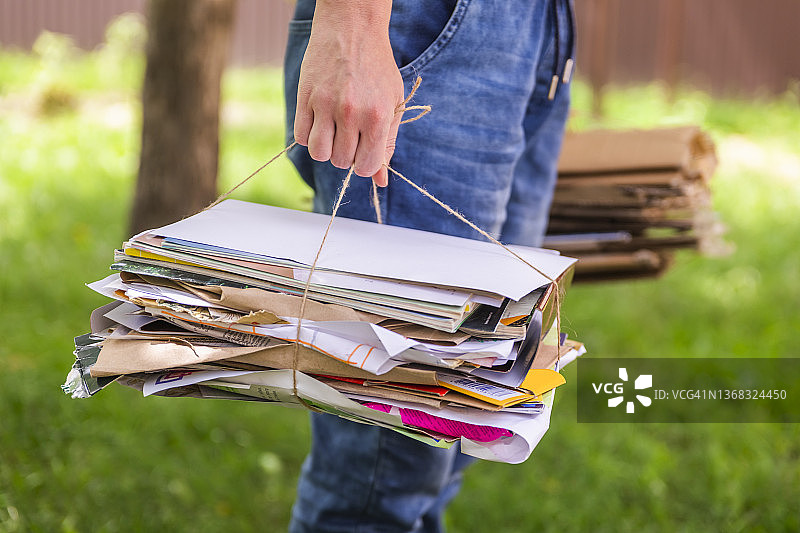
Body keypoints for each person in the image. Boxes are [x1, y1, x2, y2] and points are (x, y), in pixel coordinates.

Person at [283, 1, 574, 531]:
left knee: (473, 404)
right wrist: (353, 25)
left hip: (537, 26)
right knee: (382, 472)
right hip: (425, 22)